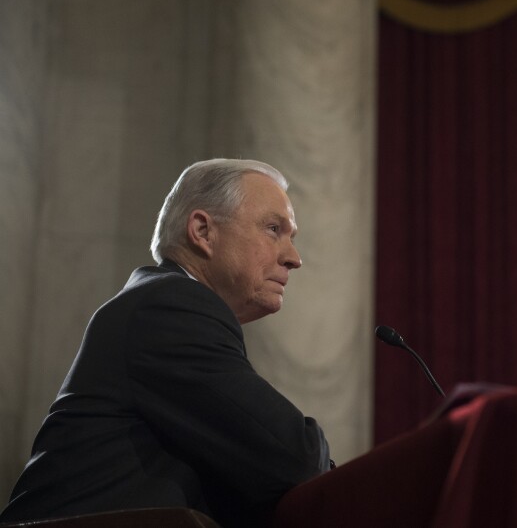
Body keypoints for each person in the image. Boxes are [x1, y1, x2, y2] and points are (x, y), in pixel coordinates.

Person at [0, 159, 332, 527]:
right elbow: (294, 458)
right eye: (274, 229)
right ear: (203, 231)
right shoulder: (169, 306)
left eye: (292, 237)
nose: (294, 258)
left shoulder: (166, 307)